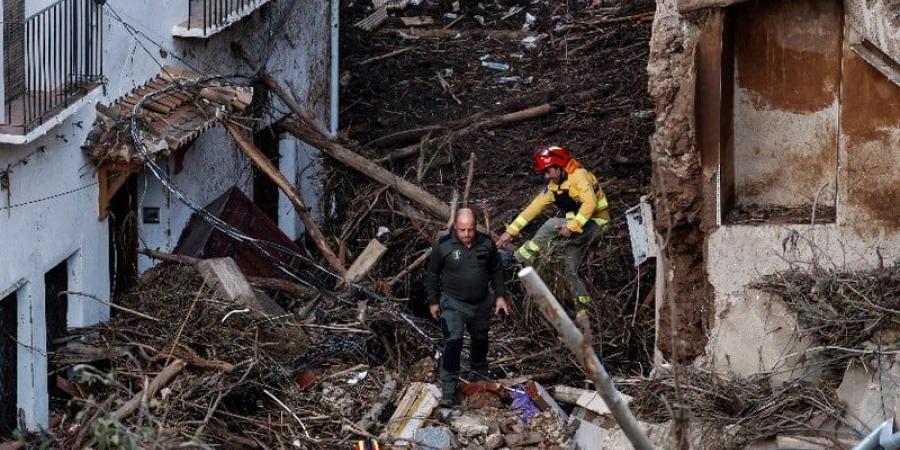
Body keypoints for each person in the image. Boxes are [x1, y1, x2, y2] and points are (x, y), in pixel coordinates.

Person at [496, 145, 609, 313]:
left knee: (550, 224)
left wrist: (571, 226)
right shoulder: (554, 187)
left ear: (559, 166)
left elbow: (590, 203)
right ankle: (584, 311)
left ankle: (517, 259)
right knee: (569, 269)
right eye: (544, 173)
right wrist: (509, 232)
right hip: (581, 231)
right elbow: (532, 209)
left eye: (548, 171)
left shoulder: (579, 176)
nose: (546, 176)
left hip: (597, 225)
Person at [425, 208, 509, 407]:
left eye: (470, 229)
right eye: (462, 230)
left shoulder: (487, 244)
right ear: (455, 227)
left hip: (481, 302)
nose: (467, 234)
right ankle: (449, 387)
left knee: (480, 338)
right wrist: (433, 301)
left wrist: (500, 297)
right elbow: (432, 274)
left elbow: (497, 271)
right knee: (454, 339)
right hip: (453, 302)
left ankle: (479, 372)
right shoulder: (444, 246)